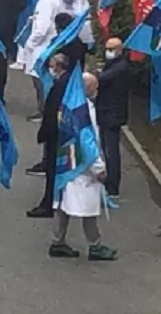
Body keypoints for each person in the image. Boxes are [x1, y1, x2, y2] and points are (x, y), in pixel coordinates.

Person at [49, 72, 117, 261]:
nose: (97, 91)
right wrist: (98, 167)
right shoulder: (83, 111)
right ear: (88, 89)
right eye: (95, 88)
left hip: (67, 164)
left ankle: (58, 241)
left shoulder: (69, 104)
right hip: (82, 166)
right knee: (88, 208)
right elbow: (88, 141)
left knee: (64, 205)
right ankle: (95, 245)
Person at [29, 52, 72, 218]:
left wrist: (44, 133)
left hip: (55, 135)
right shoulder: (65, 81)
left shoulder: (60, 85)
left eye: (52, 65)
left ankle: (48, 205)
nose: (50, 69)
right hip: (59, 134)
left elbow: (52, 111)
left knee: (52, 170)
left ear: (59, 66)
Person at [18, 0, 60, 121]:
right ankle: (44, 108)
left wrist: (31, 42)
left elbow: (43, 26)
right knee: (41, 79)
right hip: (44, 43)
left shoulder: (47, 1)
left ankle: (43, 110)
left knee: (39, 80)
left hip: (40, 45)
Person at [95, 36, 129, 203]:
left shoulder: (121, 67)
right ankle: (109, 180)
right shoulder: (115, 65)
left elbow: (102, 79)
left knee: (111, 151)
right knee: (106, 149)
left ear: (119, 50)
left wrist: (95, 74)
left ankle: (113, 186)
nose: (108, 52)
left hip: (112, 115)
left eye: (111, 49)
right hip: (106, 112)